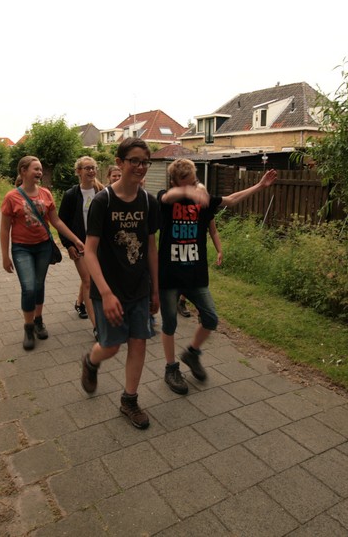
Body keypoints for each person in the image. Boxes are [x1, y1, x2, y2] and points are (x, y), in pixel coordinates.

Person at [157, 158, 276, 394]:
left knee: (210, 318)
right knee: (169, 323)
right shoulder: (166, 199)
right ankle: (171, 368)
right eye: (187, 183)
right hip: (169, 275)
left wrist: (260, 186)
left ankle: (192, 353)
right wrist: (189, 191)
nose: (193, 187)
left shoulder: (204, 202)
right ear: (174, 182)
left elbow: (231, 200)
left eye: (195, 182)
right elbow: (166, 197)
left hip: (196, 274)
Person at [80, 138, 159, 429]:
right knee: (111, 347)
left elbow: (151, 247)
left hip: (138, 287)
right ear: (119, 162)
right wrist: (105, 293)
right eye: (134, 160)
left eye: (145, 162)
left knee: (138, 342)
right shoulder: (104, 201)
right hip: (108, 289)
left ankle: (129, 400)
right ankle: (91, 361)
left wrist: (155, 289)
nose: (140, 166)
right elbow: (90, 251)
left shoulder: (149, 202)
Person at [1, 156, 85, 351]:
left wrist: (75, 239)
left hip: (43, 247)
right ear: (23, 171)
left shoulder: (46, 193)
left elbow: (56, 221)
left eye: (40, 169)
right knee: (29, 287)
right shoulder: (11, 197)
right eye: (35, 169)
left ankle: (38, 320)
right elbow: (5, 229)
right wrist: (5, 256)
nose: (39, 172)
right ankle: (28, 327)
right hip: (21, 248)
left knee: (39, 285)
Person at [58, 156, 104, 326]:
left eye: (93, 168)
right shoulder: (71, 195)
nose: (91, 171)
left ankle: (79, 303)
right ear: (79, 171)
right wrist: (68, 245)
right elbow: (62, 222)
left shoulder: (102, 192)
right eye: (87, 168)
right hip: (80, 245)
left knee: (89, 277)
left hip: (100, 245)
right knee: (88, 281)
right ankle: (97, 326)